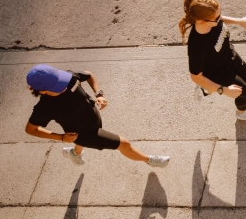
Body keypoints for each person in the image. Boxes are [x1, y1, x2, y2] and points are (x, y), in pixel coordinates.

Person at [24, 64, 170, 167]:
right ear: (42, 91)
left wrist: (98, 94)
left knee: (80, 144)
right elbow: (30, 129)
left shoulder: (67, 77)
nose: (63, 85)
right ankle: (149, 160)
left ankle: (75, 154)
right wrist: (61, 137)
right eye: (56, 86)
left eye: (59, 80)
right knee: (124, 144)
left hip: (94, 116)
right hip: (85, 134)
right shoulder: (45, 107)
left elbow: (89, 75)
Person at [179, 0, 246, 122]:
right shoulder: (197, 45)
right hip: (217, 72)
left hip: (230, 57)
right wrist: (223, 90)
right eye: (217, 18)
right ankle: (242, 113)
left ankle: (207, 89)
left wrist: (239, 21)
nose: (220, 19)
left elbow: (219, 19)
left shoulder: (212, 20)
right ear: (202, 21)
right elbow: (195, 75)